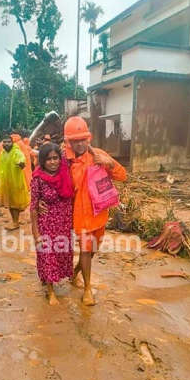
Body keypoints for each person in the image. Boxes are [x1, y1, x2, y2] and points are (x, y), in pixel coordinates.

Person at [64, 116, 127, 306]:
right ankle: (87, 288)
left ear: (88, 138)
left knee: (92, 251)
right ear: (69, 142)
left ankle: (76, 272)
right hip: (79, 215)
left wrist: (109, 163)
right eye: (75, 141)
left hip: (99, 213)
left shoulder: (98, 155)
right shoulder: (64, 161)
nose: (80, 144)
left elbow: (123, 176)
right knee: (85, 249)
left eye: (83, 139)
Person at [31, 143, 74, 305]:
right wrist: (36, 233)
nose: (53, 162)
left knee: (60, 255)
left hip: (63, 223)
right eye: (48, 159)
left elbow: (75, 152)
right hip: (47, 223)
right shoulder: (38, 179)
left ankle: (51, 280)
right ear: (42, 161)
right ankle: (50, 292)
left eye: (55, 158)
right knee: (48, 255)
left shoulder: (65, 172)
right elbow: (33, 207)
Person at [0, 135, 30, 230]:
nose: (6, 144)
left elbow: (21, 158)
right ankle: (15, 221)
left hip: (16, 182)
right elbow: (0, 167)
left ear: (12, 143)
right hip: (6, 183)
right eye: (5, 142)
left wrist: (21, 163)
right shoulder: (3, 153)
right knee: (10, 203)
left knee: (15, 203)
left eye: (8, 142)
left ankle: (15, 222)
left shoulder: (16, 151)